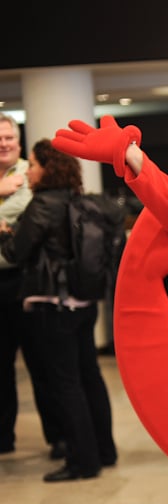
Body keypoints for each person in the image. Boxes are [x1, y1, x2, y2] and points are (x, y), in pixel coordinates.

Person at [0, 139, 117, 480]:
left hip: (53, 305)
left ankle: (83, 461)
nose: (29, 170)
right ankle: (104, 450)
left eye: (33, 164)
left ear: (47, 169)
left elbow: (16, 254)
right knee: (90, 377)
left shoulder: (42, 206)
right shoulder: (78, 200)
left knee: (65, 384)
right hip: (83, 304)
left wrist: (5, 232)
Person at [0, 113, 64, 457]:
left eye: (8, 138)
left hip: (25, 279)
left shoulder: (32, 173)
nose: (4, 144)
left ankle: (57, 437)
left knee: (41, 364)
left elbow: (20, 216)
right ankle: (2, 437)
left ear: (19, 142)